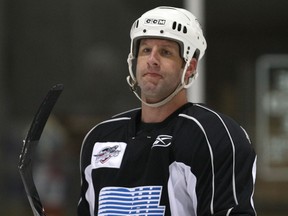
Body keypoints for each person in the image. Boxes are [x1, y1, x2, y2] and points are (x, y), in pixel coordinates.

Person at [77, 6, 257, 216]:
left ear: (189, 67)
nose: (152, 59)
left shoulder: (215, 136)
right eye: (145, 50)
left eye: (165, 52)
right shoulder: (100, 138)